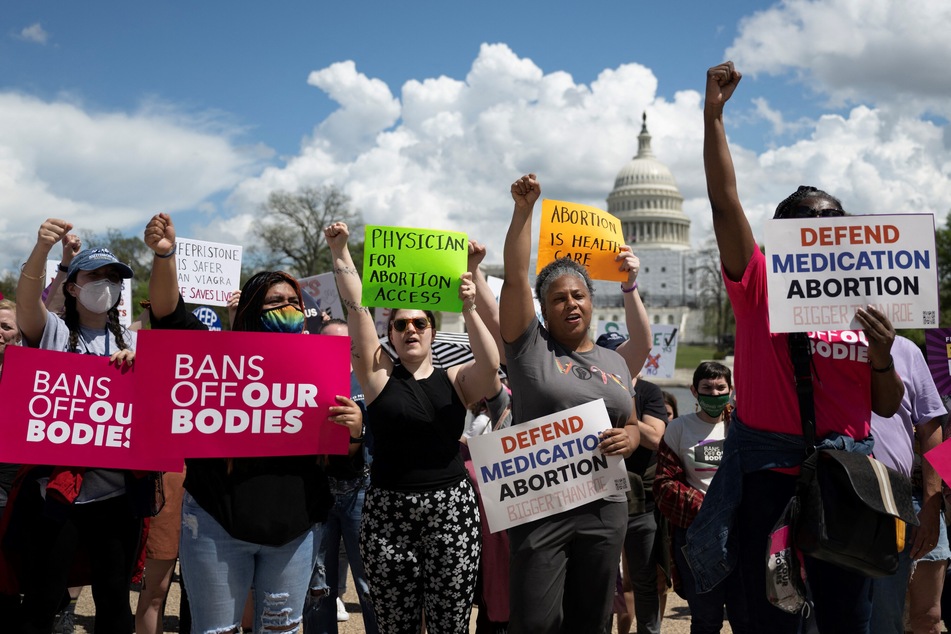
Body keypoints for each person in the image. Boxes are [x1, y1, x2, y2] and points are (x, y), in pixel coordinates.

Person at [686, 60, 905, 633]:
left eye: (834, 220)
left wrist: (881, 356)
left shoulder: (868, 307)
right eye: (807, 222)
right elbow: (724, 201)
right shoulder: (759, 286)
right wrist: (714, 115)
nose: (822, 229)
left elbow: (884, 406)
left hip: (844, 484)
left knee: (845, 618)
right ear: (782, 236)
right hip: (771, 478)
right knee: (771, 618)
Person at [144, 212, 338, 634]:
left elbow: (340, 455)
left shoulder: (320, 370)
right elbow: (168, 312)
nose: (286, 309)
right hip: (216, 522)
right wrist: (165, 257)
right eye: (274, 303)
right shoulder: (215, 357)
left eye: (293, 302)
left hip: (293, 528)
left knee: (282, 629)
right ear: (251, 310)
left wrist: (353, 426)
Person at [325, 220, 501, 633]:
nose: (410, 330)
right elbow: (356, 309)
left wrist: (471, 306)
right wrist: (340, 251)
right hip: (388, 512)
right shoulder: (377, 376)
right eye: (400, 325)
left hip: (451, 512)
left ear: (432, 332)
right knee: (394, 624)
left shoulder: (457, 380)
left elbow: (491, 367)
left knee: (450, 623)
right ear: (389, 334)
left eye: (419, 323)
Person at [499, 173, 646, 633]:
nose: (570, 304)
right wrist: (524, 213)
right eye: (557, 299)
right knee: (537, 622)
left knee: (591, 622)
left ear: (591, 301)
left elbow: (635, 422)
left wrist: (631, 436)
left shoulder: (615, 362)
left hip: (604, 510)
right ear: (543, 309)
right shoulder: (529, 351)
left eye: (578, 295)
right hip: (541, 508)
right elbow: (516, 281)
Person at [12, 219, 147, 634]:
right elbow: (26, 304)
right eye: (94, 276)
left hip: (117, 496)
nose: (105, 283)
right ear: (72, 287)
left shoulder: (134, 341)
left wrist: (139, 371)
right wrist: (43, 249)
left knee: (114, 601)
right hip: (58, 496)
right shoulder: (52, 331)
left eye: (113, 278)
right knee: (42, 598)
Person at [655, 361, 743, 634]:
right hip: (696, 535)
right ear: (694, 391)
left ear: (730, 390)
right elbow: (663, 484)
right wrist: (707, 509)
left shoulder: (743, 426)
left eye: (721, 388)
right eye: (707, 388)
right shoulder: (678, 428)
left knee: (746, 617)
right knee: (706, 619)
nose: (714, 395)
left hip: (740, 531)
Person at [303, 317, 379, 634]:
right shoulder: (301, 380)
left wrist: (359, 428)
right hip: (316, 491)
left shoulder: (370, 380)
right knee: (317, 584)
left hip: (361, 488)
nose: (336, 349)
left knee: (370, 581)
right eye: (327, 342)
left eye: (343, 343)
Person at [868, 335, 947, 634]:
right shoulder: (821, 346)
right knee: (877, 617)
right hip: (852, 502)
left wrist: (933, 501)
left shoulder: (907, 351)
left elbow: (932, 427)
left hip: (917, 501)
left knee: (928, 616)